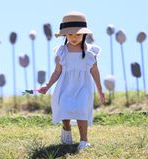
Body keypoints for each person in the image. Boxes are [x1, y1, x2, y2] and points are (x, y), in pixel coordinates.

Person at [38, 11, 105, 150]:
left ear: (84, 35)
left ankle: (84, 140)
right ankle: (66, 128)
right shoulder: (62, 51)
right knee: (64, 107)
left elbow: (94, 71)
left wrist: (100, 90)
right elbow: (57, 71)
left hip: (83, 86)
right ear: (65, 35)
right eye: (70, 35)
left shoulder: (90, 52)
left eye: (78, 34)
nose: (74, 38)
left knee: (81, 109)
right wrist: (48, 85)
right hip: (65, 85)